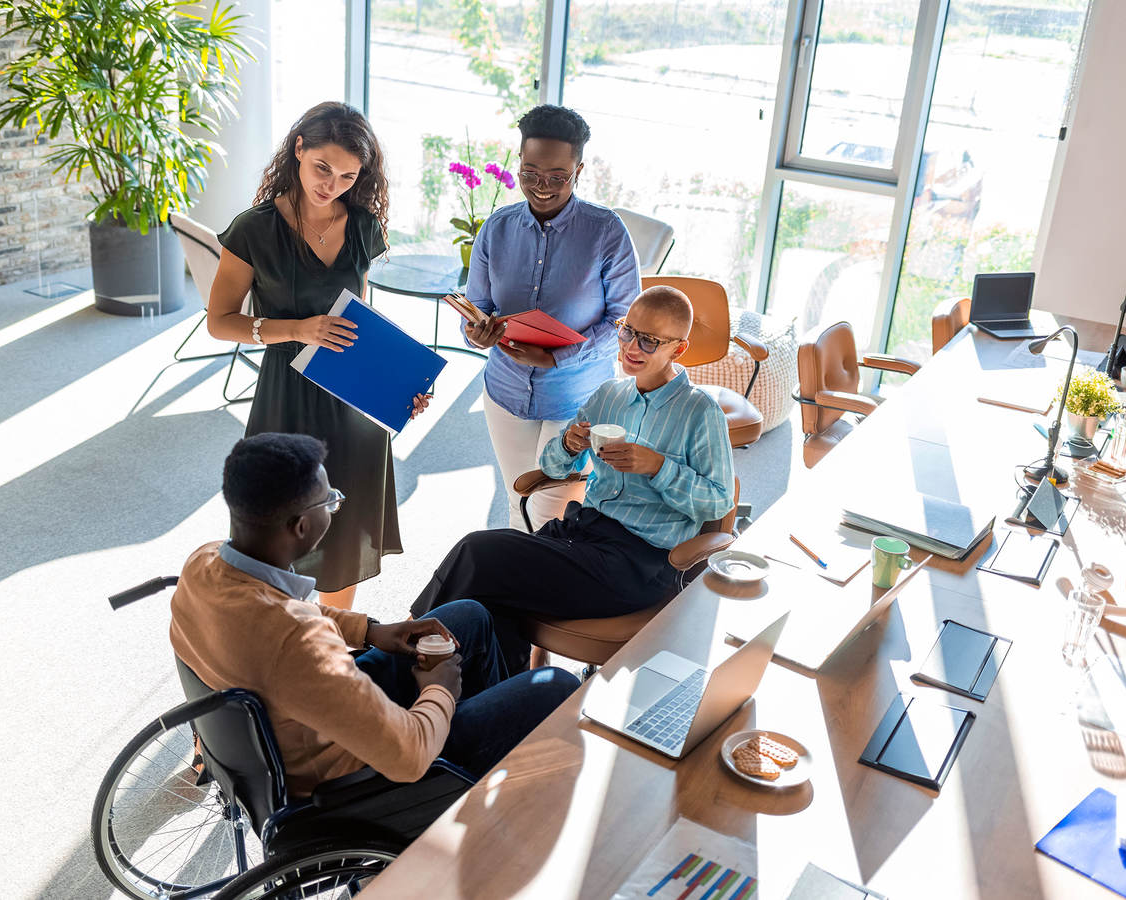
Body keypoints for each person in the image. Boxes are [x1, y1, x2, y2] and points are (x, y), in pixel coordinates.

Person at [170, 432, 579, 796]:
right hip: (351, 780)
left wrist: (372, 631)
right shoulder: (300, 641)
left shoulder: (203, 563)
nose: (334, 509)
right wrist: (438, 690)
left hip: (291, 715)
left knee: (468, 615)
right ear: (299, 526)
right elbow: (409, 757)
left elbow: (281, 611)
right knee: (554, 685)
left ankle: (488, 757)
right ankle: (473, 777)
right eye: (329, 502)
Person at [412, 286, 735, 672]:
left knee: (478, 552)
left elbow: (718, 502)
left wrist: (657, 467)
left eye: (649, 341)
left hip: (636, 562)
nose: (632, 347)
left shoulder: (700, 412)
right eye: (627, 331)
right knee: (490, 598)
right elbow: (553, 466)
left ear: (678, 349)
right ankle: (497, 699)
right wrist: (567, 443)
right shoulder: (609, 395)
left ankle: (403, 650)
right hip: (580, 533)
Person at [206, 101, 425, 609]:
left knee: (344, 535)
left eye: (347, 176)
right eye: (322, 167)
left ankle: (334, 651)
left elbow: (361, 322)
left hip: (352, 402)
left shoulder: (365, 228)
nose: (331, 184)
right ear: (298, 149)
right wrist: (297, 329)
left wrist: (400, 388)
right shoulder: (253, 229)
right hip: (286, 397)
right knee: (277, 527)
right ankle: (280, 644)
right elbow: (220, 321)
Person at [462, 104, 640, 532]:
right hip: (505, 392)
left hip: (576, 398)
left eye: (558, 177)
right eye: (530, 173)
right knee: (516, 500)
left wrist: (557, 359)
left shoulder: (606, 232)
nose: (542, 187)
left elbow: (625, 321)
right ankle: (510, 595)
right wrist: (476, 332)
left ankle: (542, 594)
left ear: (579, 170)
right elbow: (477, 309)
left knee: (550, 514)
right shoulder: (496, 229)